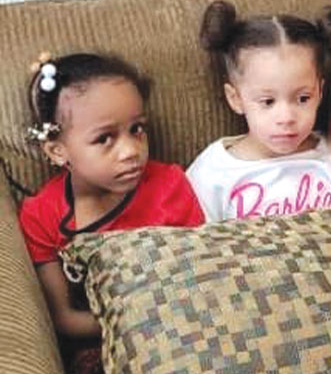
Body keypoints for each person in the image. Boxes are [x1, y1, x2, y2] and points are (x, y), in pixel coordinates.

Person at [17, 52, 204, 373]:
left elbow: (198, 277)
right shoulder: (41, 216)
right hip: (101, 343)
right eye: (105, 138)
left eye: (137, 129)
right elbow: (64, 319)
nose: (131, 150)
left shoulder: (171, 185)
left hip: (184, 330)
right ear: (57, 150)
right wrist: (139, 323)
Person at [187, 1, 331, 222]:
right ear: (235, 99)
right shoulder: (213, 172)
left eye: (302, 99)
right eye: (267, 102)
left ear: (320, 92)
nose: (286, 118)